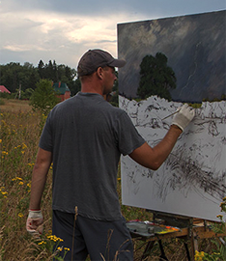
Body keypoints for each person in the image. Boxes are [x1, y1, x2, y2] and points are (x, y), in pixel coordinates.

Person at [26, 49, 195, 260]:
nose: (115, 76)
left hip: (64, 214)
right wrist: (177, 127)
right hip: (102, 214)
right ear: (100, 73)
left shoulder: (57, 112)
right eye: (112, 71)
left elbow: (41, 164)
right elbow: (153, 160)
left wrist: (34, 210)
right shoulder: (115, 116)